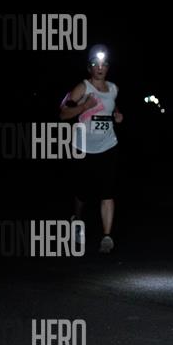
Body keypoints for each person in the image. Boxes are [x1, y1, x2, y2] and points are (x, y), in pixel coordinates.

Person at [59, 44, 123, 253]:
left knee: (108, 191)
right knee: (83, 193)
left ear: (108, 67)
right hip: (83, 147)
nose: (100, 68)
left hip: (108, 145)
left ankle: (107, 237)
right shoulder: (82, 87)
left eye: (104, 64)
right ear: (89, 67)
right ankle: (77, 220)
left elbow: (111, 105)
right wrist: (84, 107)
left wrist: (117, 115)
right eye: (95, 64)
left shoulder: (113, 88)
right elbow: (63, 114)